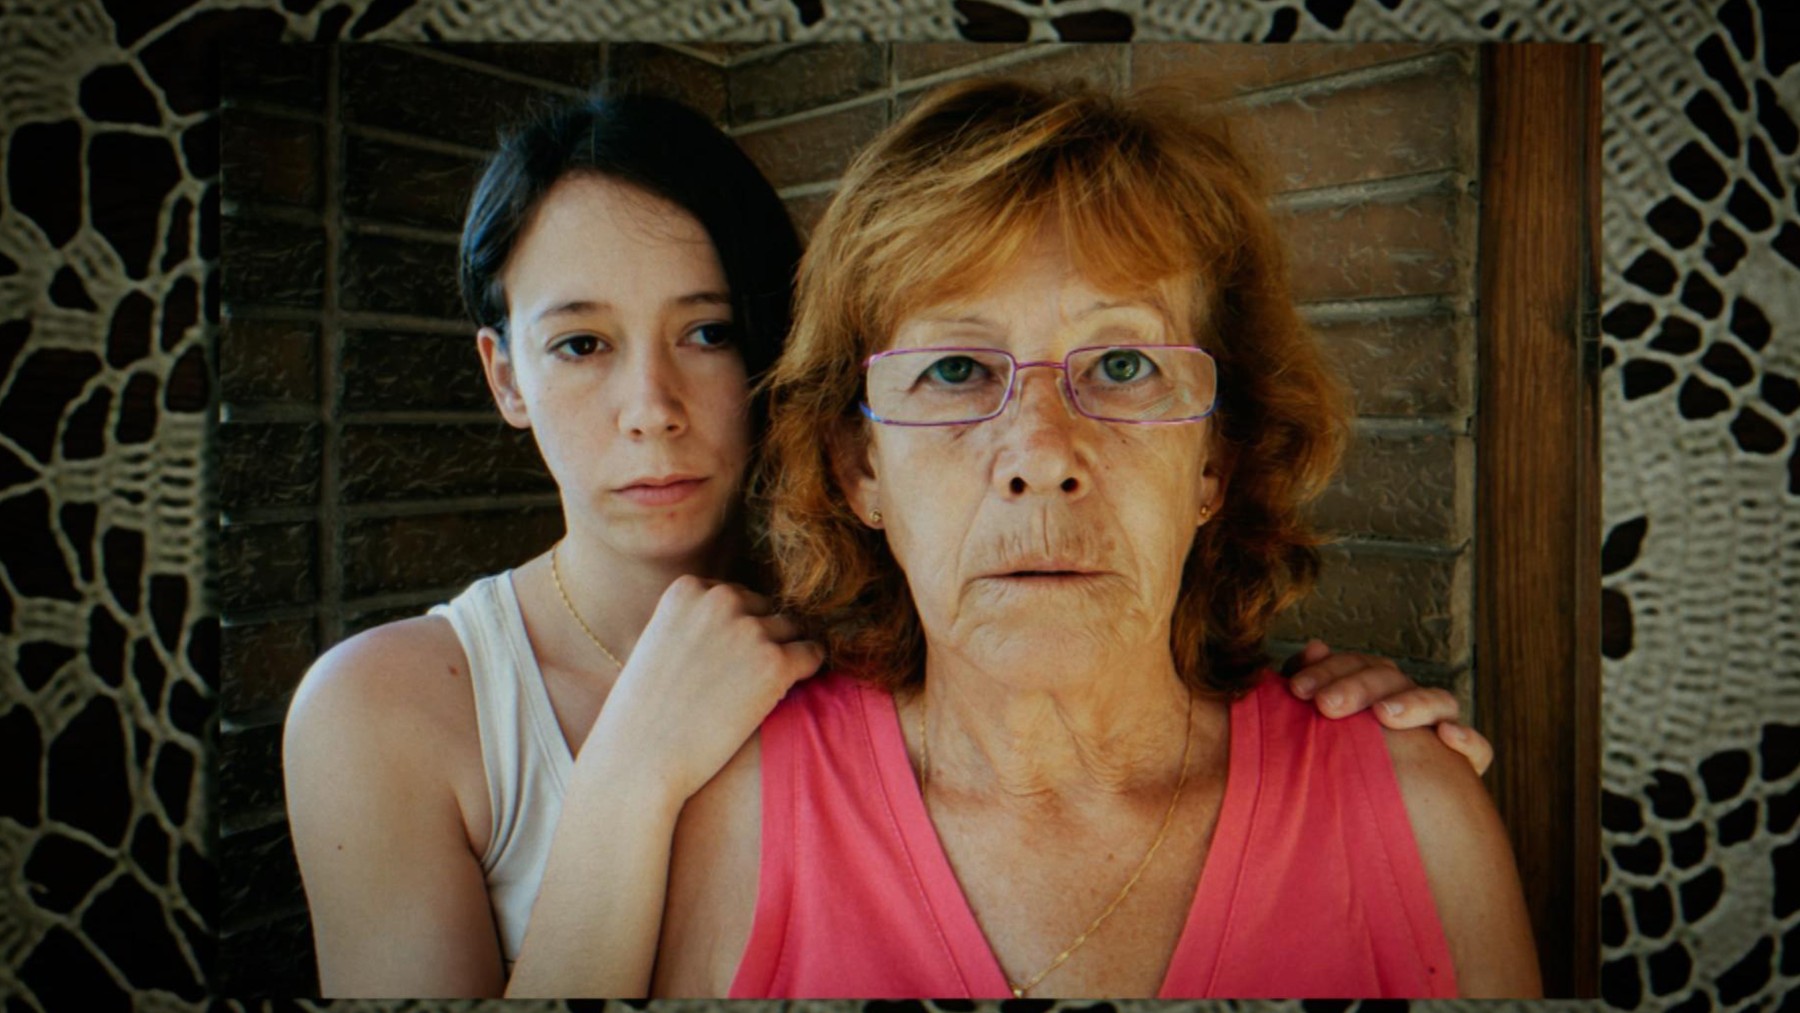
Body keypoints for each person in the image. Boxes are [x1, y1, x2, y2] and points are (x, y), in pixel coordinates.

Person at [282, 90, 1496, 999]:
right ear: (858, 462)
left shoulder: (1401, 793)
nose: (650, 404)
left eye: (708, 332)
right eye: (579, 342)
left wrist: (1356, 765)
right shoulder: (447, 722)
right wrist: (631, 774)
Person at [653, 78, 1538, 997]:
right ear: (860, 467)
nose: (1040, 452)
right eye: (956, 368)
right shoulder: (745, 815)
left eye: (1125, 364)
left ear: (1214, 462)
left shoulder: (1418, 817)